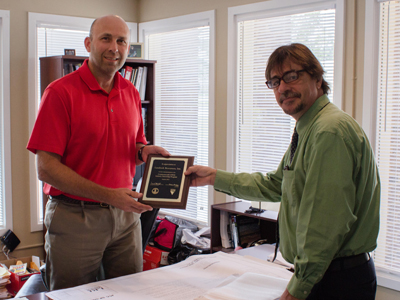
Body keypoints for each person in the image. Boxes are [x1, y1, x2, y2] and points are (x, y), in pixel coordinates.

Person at [185, 43, 380, 300]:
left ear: (317, 78)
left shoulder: (328, 132)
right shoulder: (308, 128)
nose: (283, 88)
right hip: (327, 274)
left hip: (338, 280)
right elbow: (276, 185)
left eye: (292, 76)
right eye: (275, 81)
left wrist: (298, 289)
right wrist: (214, 177)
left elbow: (324, 224)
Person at [27, 15, 170, 290]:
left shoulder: (131, 92)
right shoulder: (59, 93)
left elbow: (134, 145)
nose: (114, 47)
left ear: (128, 48)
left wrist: (145, 151)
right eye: (106, 38)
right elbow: (45, 168)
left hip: (126, 218)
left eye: (121, 41)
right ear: (88, 43)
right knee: (72, 296)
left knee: (129, 293)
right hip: (75, 217)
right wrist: (108, 195)